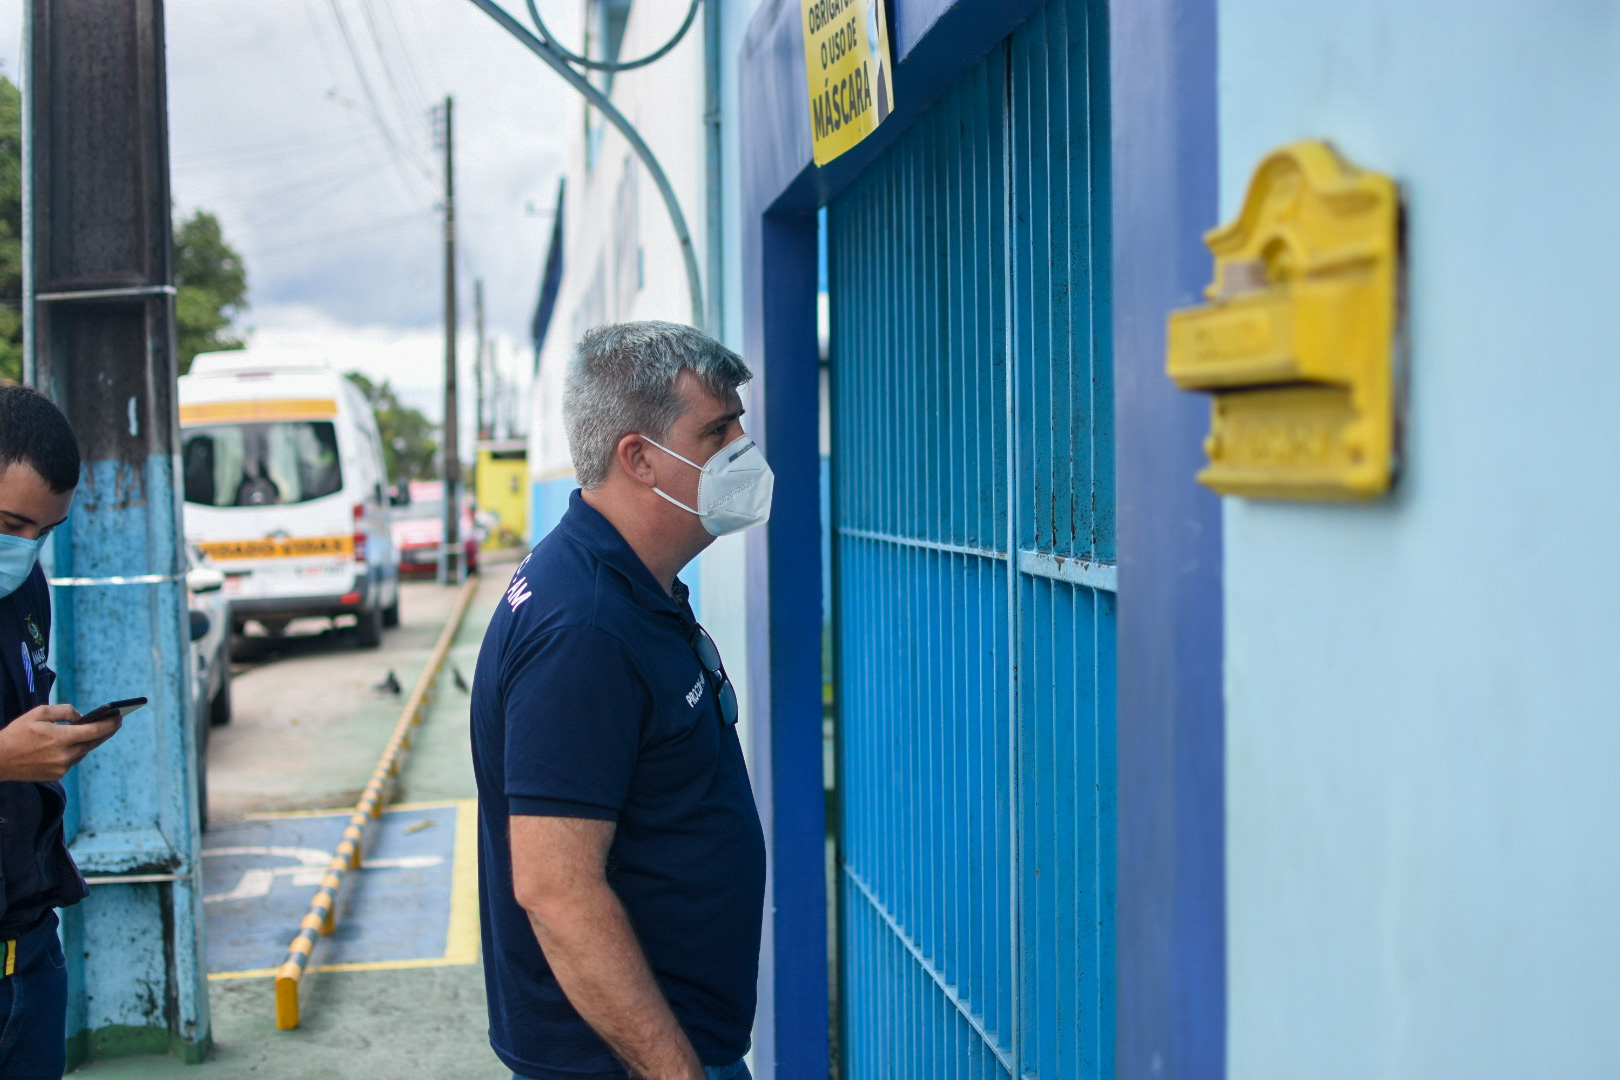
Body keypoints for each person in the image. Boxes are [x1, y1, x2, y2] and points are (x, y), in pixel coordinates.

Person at [470, 322, 773, 1080]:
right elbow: (555, 887)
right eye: (717, 430)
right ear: (639, 458)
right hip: (626, 1062)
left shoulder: (629, 585)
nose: (743, 447)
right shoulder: (586, 628)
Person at [0, 385, 124, 1077]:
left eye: (43, 532)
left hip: (29, 960)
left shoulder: (22, 590)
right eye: (10, 524)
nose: (24, 548)